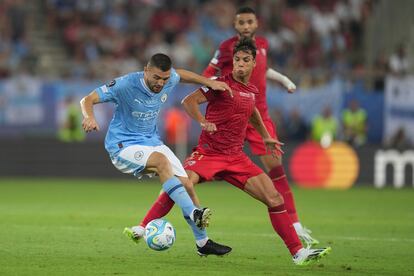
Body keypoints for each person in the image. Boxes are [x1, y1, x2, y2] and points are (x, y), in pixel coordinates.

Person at [80, 53, 232, 254]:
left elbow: (182, 75)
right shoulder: (125, 85)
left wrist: (208, 82)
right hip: (122, 145)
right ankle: (194, 212)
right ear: (146, 71)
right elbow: (87, 99)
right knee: (162, 162)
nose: (161, 83)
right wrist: (89, 117)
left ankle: (203, 243)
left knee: (186, 185)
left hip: (152, 142)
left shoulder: (170, 79)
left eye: (165, 79)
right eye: (156, 78)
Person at [201, 6, 318, 246]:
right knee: (204, 165)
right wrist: (219, 85)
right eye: (241, 22)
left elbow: (263, 68)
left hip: (258, 115)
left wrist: (284, 79)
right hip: (230, 114)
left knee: (275, 165)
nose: (245, 26)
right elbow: (207, 73)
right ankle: (177, 189)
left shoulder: (262, 44)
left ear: (256, 24)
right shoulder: (225, 47)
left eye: (249, 22)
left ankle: (295, 224)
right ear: (235, 25)